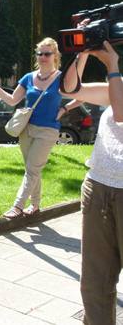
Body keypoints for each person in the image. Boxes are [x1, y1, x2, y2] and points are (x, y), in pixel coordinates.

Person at [62, 39, 123, 325]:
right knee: (94, 283)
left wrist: (112, 67)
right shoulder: (117, 85)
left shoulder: (117, 84)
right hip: (98, 187)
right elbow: (70, 89)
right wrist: (81, 54)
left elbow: (121, 114)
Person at [0, 37, 73, 218]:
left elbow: (82, 94)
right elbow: (13, 100)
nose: (43, 57)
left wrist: (65, 108)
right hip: (27, 129)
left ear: (55, 56)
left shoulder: (62, 78)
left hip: (48, 131)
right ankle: (35, 204)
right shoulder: (28, 77)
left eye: (47, 54)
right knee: (33, 169)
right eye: (40, 54)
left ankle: (18, 206)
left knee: (32, 169)